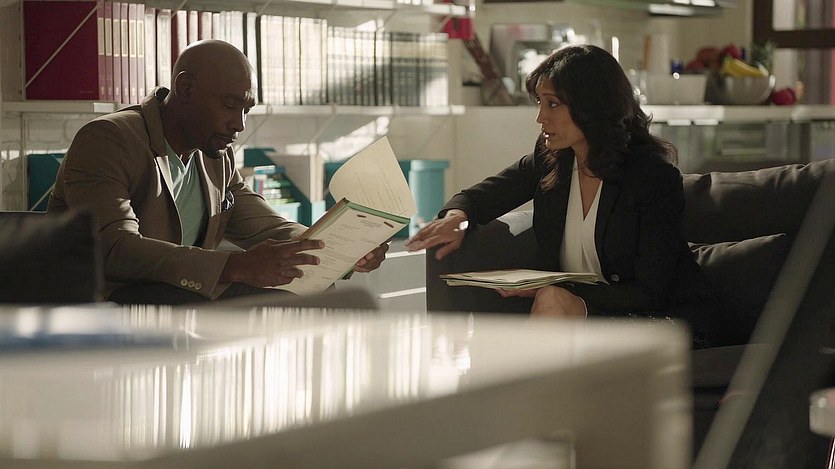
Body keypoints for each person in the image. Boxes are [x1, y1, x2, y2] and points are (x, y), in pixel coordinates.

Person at [48, 39, 388, 304]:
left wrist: (343, 246)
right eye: (229, 105)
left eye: (246, 109)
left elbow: (268, 226)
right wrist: (235, 266)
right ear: (185, 89)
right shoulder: (108, 139)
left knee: (312, 291)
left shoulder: (215, 155)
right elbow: (114, 249)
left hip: (178, 296)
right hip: (107, 301)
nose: (239, 124)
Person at [405, 45, 708, 332]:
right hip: (575, 315)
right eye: (539, 102)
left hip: (656, 321)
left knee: (551, 300)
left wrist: (561, 290)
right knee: (546, 302)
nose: (540, 117)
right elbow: (483, 196)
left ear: (591, 106)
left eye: (552, 104)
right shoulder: (552, 159)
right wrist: (457, 218)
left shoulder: (653, 177)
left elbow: (652, 292)